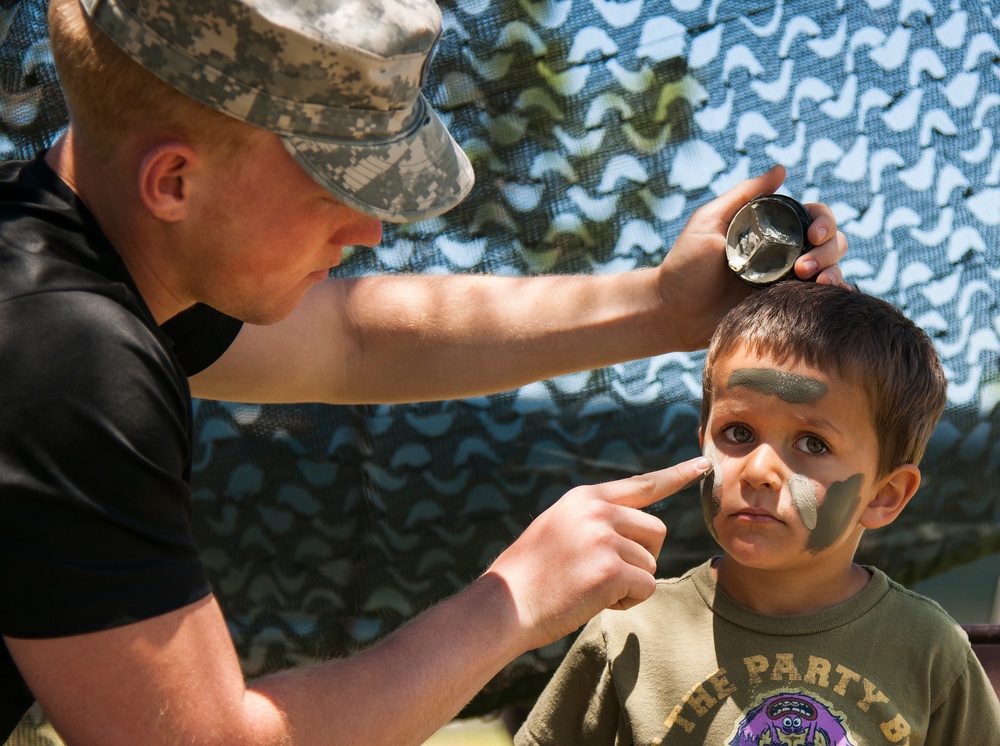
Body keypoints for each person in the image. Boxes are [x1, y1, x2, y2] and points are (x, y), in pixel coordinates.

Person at [0, 0, 849, 744]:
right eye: (337, 181)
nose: (369, 229)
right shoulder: (64, 356)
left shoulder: (56, 266)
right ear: (174, 180)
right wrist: (513, 600)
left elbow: (354, 340)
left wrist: (667, 308)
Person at [514, 281, 1000, 746]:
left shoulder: (931, 651)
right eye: (738, 433)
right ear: (700, 438)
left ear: (885, 495)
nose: (760, 471)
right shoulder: (627, 628)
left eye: (813, 443)